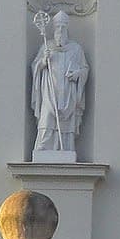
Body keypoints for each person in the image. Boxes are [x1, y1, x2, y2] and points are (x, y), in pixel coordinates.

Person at [30, 9, 89, 158]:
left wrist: (77, 74)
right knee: (46, 122)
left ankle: (66, 150)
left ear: (67, 30)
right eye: (58, 28)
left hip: (68, 96)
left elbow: (84, 69)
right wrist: (43, 61)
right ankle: (43, 150)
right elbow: (35, 67)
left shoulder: (76, 49)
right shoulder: (47, 47)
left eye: (63, 28)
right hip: (50, 93)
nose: (60, 31)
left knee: (66, 128)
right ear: (54, 30)